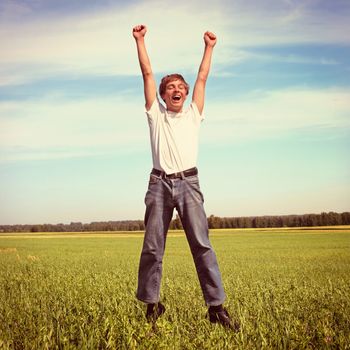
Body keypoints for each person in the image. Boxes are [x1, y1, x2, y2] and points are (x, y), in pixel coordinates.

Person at [132, 24, 239, 331]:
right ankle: (152, 306)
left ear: (186, 93)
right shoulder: (156, 115)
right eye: (171, 88)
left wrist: (209, 47)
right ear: (163, 96)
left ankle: (216, 308)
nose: (177, 90)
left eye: (181, 86)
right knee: (153, 246)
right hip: (159, 184)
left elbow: (203, 77)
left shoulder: (194, 113)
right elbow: (147, 73)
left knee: (202, 244)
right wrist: (140, 40)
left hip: (189, 184)